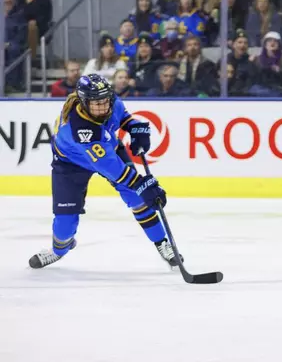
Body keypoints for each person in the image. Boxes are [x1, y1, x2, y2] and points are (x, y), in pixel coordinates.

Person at [28, 74, 179, 270]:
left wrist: (135, 128)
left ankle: (162, 243)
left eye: (105, 101)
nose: (102, 107)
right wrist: (143, 185)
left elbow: (122, 117)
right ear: (83, 102)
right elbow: (114, 170)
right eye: (96, 103)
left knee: (137, 199)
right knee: (65, 226)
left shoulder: (110, 101)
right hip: (70, 164)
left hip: (107, 149)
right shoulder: (80, 129)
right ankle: (59, 250)